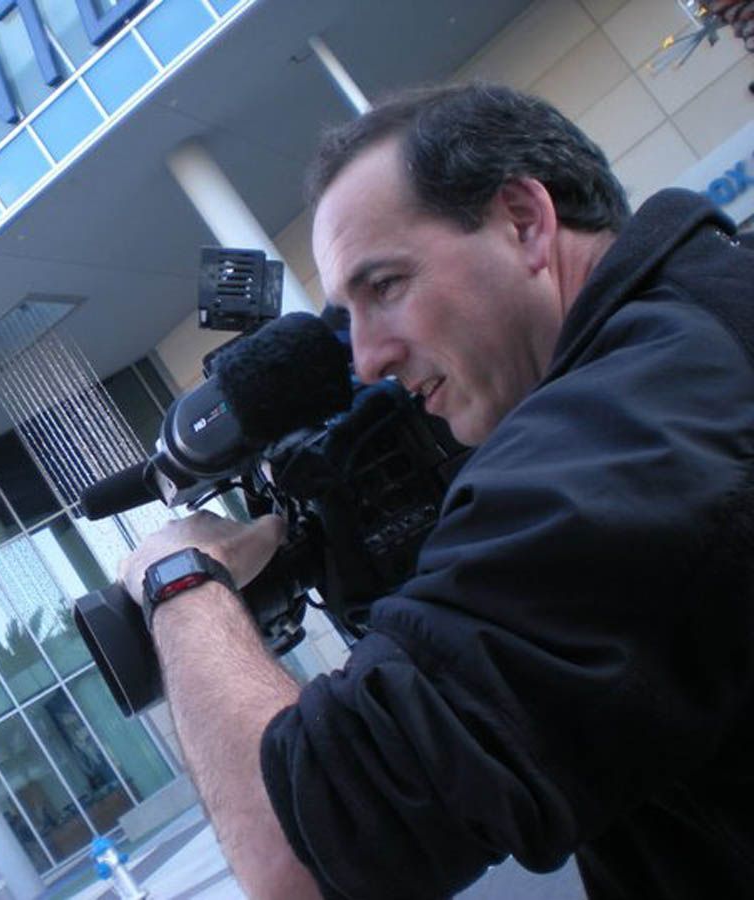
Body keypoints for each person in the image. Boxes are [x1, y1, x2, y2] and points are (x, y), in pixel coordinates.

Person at [118, 83, 754, 899]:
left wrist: (181, 577)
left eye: (385, 286)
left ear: (526, 221)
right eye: (348, 315)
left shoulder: (637, 428)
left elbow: (301, 854)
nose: (368, 361)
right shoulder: (700, 323)